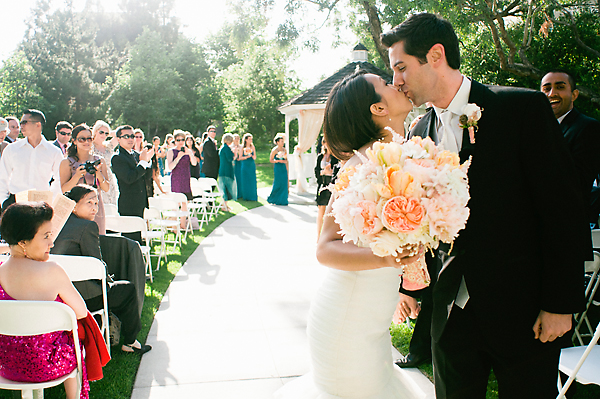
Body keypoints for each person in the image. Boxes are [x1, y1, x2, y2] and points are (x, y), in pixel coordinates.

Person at [381, 13, 589, 398]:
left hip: (524, 310)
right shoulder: (416, 132)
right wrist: (409, 284)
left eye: (401, 67)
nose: (397, 81)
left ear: (436, 55)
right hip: (450, 314)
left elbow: (562, 208)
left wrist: (560, 302)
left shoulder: (521, 109)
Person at [275, 71, 421, 399]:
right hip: (348, 320)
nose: (396, 83)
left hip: (374, 318)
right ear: (378, 109)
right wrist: (384, 257)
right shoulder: (361, 165)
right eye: (385, 84)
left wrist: (407, 284)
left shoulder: (404, 155)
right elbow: (324, 248)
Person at [0, 202, 90, 399]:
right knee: (74, 341)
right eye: (46, 236)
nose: (52, 243)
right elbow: (82, 312)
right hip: (47, 365)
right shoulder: (53, 271)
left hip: (5, 367)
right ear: (23, 242)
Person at [51, 185, 151, 355]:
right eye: (89, 202)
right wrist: (110, 279)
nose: (94, 208)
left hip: (59, 295)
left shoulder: (56, 224)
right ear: (74, 205)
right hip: (86, 297)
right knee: (127, 289)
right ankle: (130, 341)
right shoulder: (87, 227)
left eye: (96, 203)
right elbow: (96, 266)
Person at [541, 70, 600, 226]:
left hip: (568, 224)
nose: (552, 93)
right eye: (546, 89)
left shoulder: (588, 127)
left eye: (560, 87)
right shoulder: (537, 130)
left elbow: (579, 183)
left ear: (574, 95)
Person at [0, 109, 64, 212]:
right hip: (15, 204)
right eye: (21, 123)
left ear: (38, 124)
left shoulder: (54, 152)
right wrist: (4, 202)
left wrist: (51, 200)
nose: (21, 126)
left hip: (41, 205)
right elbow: (2, 177)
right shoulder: (12, 149)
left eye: (24, 122)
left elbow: (59, 179)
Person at [60, 123, 109, 235]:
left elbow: (106, 188)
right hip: (75, 208)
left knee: (97, 239)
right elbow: (64, 190)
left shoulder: (99, 160)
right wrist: (76, 176)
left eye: (89, 139)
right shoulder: (66, 162)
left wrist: (98, 174)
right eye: (82, 139)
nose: (86, 142)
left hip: (95, 207)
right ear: (74, 141)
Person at [111, 125, 154, 242]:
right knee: (130, 239)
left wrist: (148, 162)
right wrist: (143, 163)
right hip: (128, 203)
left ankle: (139, 258)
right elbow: (129, 178)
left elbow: (145, 176)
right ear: (118, 139)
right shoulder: (117, 157)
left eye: (132, 136)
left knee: (138, 237)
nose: (130, 139)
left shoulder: (136, 154)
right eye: (126, 136)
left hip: (140, 201)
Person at [91, 120, 119, 206]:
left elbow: (118, 135)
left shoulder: (108, 146)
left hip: (108, 177)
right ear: (95, 131)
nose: (104, 135)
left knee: (110, 205)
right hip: (95, 176)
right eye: (101, 132)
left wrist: (109, 133)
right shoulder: (89, 145)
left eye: (106, 134)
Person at [314, 138, 338, 239]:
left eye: (327, 141)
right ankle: (318, 237)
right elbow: (316, 171)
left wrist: (330, 172)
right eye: (324, 142)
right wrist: (323, 172)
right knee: (321, 210)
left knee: (331, 212)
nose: (325, 144)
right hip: (322, 184)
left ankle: (328, 236)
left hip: (331, 185)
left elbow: (337, 171)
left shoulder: (335, 157)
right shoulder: (320, 156)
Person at [167, 130, 197, 200]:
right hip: (176, 179)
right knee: (176, 201)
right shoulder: (171, 151)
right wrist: (178, 157)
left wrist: (190, 153)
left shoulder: (188, 151)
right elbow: (170, 167)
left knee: (186, 201)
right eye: (178, 140)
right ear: (175, 141)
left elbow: (194, 163)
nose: (180, 142)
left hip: (186, 178)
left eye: (182, 140)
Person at [267, 133, 288, 206]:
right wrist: (278, 161)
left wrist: (284, 162)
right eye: (281, 141)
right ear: (277, 142)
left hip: (283, 167)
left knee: (284, 182)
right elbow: (271, 160)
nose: (282, 143)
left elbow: (286, 159)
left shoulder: (284, 150)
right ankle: (273, 198)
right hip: (278, 167)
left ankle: (283, 200)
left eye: (283, 141)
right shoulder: (274, 150)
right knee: (278, 183)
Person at [217, 133, 237, 211]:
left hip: (223, 170)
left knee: (225, 188)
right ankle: (224, 206)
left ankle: (225, 205)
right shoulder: (226, 148)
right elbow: (230, 159)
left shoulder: (223, 147)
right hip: (226, 171)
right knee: (226, 188)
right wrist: (234, 154)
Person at [238, 133, 257, 201]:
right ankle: (246, 196)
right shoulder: (242, 147)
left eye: (251, 139)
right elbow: (240, 157)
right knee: (245, 180)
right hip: (245, 164)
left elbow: (255, 156)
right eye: (249, 139)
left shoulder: (253, 147)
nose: (251, 140)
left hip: (251, 164)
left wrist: (252, 156)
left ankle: (252, 195)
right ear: (246, 140)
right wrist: (246, 157)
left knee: (252, 179)